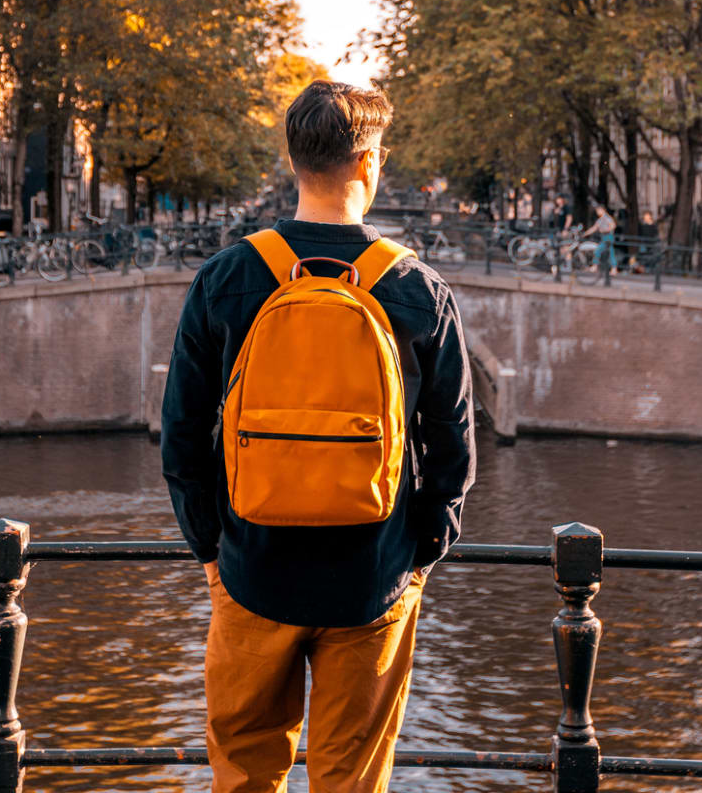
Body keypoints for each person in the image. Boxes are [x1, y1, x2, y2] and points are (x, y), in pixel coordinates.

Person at [161, 80, 475, 793]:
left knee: (243, 774)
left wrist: (211, 550)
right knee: (353, 780)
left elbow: (181, 431)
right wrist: (421, 555)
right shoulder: (416, 290)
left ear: (292, 159)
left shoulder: (228, 278)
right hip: (372, 575)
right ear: (370, 164)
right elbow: (452, 446)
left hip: (251, 568)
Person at [586, 204, 616, 273]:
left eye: (599, 210)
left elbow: (613, 226)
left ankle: (595, 266)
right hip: (604, 237)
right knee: (611, 253)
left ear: (603, 210)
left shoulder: (607, 218)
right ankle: (614, 268)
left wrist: (605, 230)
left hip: (608, 236)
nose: (597, 212)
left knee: (598, 250)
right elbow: (594, 228)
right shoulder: (600, 220)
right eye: (597, 211)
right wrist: (586, 233)